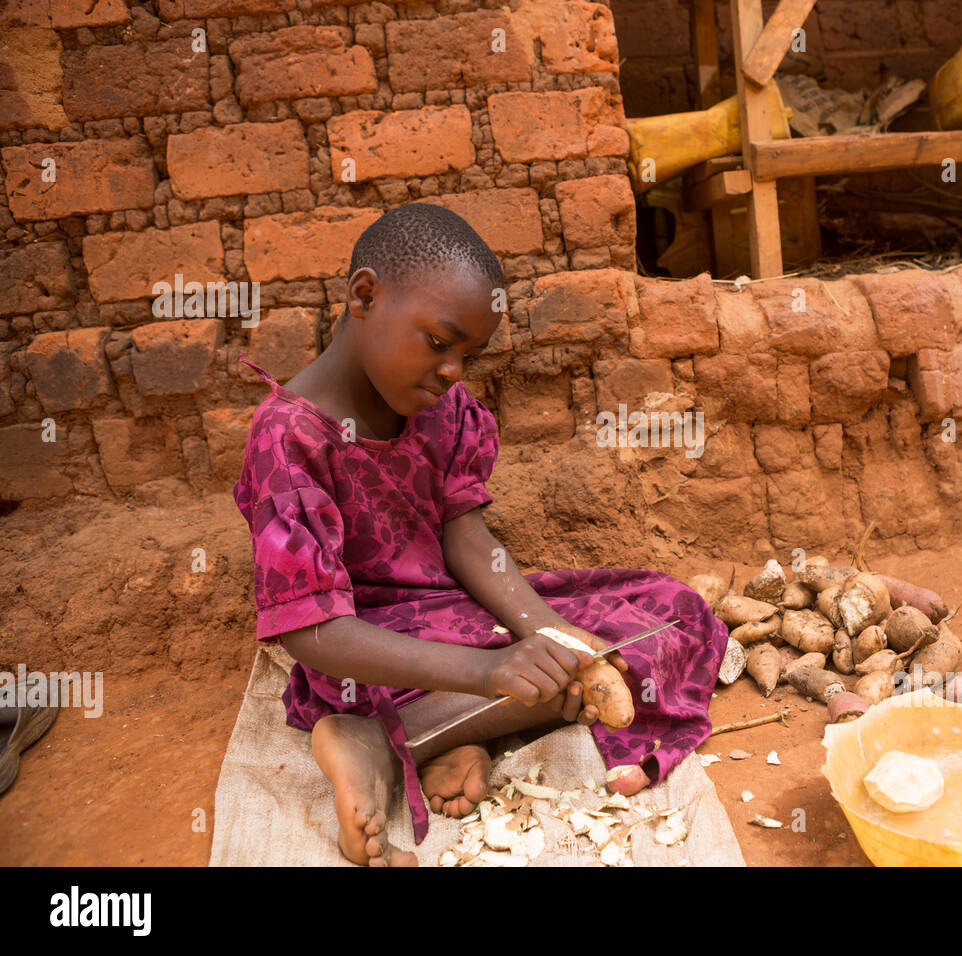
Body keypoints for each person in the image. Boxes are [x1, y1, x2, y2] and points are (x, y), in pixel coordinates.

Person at [232, 203, 728, 866]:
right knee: (543, 681)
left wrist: (545, 631)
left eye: (468, 354)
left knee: (670, 612)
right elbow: (311, 632)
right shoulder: (287, 438)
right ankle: (378, 731)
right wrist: (488, 670)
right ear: (363, 295)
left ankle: (405, 740)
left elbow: (464, 535)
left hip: (456, 623)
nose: (453, 372)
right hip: (363, 653)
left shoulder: (443, 410)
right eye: (440, 343)